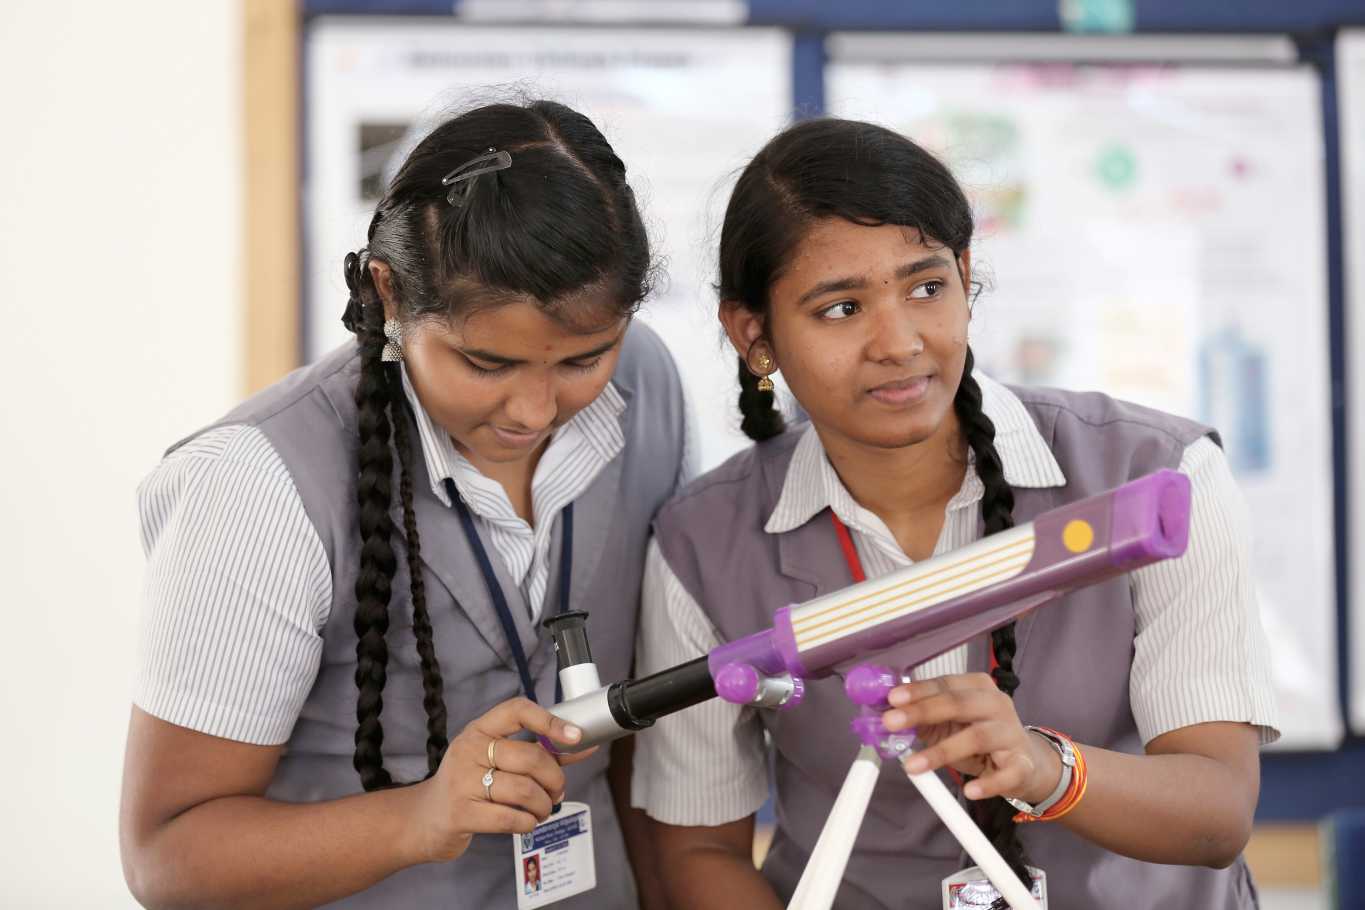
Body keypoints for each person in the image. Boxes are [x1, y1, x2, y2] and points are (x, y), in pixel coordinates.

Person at [632, 117, 1277, 909]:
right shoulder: (702, 542)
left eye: (926, 287)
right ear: (752, 335)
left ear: (966, 277)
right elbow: (699, 847)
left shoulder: (1156, 477)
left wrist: (1043, 767)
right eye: (840, 309)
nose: (899, 342)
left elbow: (1215, 816)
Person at [120, 99, 685, 909]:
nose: (533, 409)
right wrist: (420, 815)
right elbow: (167, 859)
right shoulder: (254, 483)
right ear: (387, 295)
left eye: (583, 358)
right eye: (485, 363)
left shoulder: (646, 381)